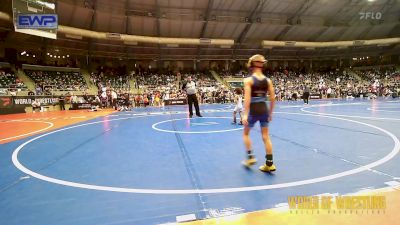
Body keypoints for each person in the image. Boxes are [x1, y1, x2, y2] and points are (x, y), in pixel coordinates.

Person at [242, 54, 276, 172]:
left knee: (246, 134)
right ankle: (269, 164)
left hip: (253, 109)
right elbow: (272, 99)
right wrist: (270, 113)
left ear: (251, 65)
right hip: (264, 109)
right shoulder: (268, 81)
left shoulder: (248, 80)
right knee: (266, 137)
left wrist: (245, 114)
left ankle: (250, 157)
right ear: (263, 65)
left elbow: (247, 99)